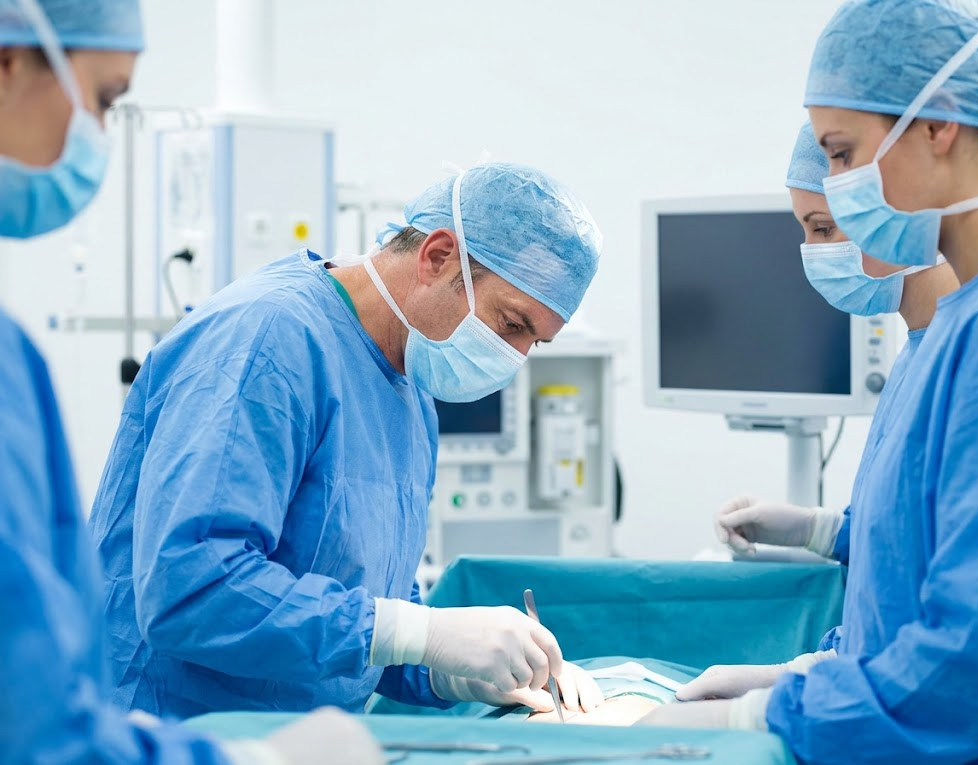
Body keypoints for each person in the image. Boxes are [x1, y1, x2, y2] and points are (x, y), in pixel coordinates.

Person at [0, 1, 383, 763]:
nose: (100, 138)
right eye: (105, 101)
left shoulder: (396, 382)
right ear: (10, 61)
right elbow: (32, 724)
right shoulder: (268, 335)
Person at [644, 1, 978, 762]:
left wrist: (761, 718)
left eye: (843, 152)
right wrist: (804, 676)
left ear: (940, 122)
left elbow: (974, 671)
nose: (839, 185)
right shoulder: (969, 322)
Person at [88, 162, 606, 719]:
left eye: (536, 342)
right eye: (511, 324)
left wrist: (452, 669)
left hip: (294, 740)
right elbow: (189, 590)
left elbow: (365, 611)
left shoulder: (410, 387)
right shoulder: (265, 342)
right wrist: (422, 632)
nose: (516, 356)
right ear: (436, 256)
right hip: (169, 729)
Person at [671, 121, 959, 705]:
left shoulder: (973, 359)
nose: (815, 253)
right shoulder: (920, 352)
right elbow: (907, 537)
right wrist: (821, 528)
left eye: (826, 227)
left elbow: (964, 613)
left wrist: (776, 700)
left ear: (900, 208)